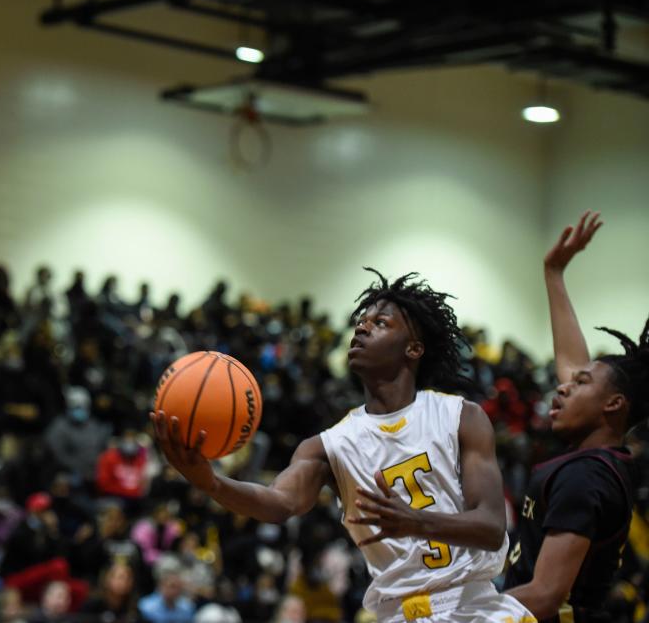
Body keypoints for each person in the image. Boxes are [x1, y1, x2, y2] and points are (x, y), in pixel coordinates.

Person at [152, 268, 533, 621]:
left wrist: (414, 521)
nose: (362, 328)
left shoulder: (461, 417)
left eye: (380, 323)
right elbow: (279, 503)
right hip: (398, 613)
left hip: (473, 607)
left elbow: (490, 527)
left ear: (413, 349)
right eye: (361, 322)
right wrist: (211, 483)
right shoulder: (328, 445)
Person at [503, 211, 647, 622]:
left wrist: (457, 613)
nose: (562, 386)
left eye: (580, 383)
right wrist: (554, 273)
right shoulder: (603, 458)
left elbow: (546, 596)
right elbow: (572, 364)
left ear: (613, 405)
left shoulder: (586, 477)